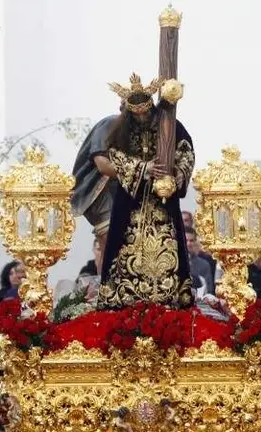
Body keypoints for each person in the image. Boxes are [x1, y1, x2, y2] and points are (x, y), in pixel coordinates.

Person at [77, 73, 195, 310]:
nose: (141, 118)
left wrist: (178, 172)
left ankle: (170, 293)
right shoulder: (119, 130)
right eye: (136, 114)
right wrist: (143, 168)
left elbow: (185, 151)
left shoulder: (169, 125)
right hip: (130, 198)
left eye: (145, 112)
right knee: (122, 242)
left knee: (168, 241)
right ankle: (122, 293)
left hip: (163, 199)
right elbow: (112, 156)